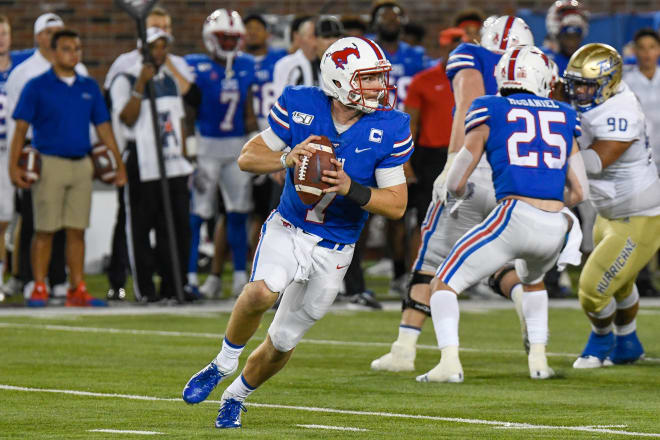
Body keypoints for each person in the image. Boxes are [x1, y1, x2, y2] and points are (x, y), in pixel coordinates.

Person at [181, 36, 412, 429]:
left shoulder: (389, 126)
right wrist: (287, 158)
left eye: (379, 78)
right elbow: (247, 157)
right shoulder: (302, 104)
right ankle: (222, 362)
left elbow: (396, 204)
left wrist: (349, 189)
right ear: (339, 81)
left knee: (283, 341)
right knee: (260, 292)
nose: (379, 87)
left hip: (337, 246)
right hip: (290, 226)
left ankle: (236, 396)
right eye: (369, 79)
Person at [371, 16, 538, 374]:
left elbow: (468, 106)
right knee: (491, 257)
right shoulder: (537, 66)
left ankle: (404, 349)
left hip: (475, 166)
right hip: (517, 177)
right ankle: (522, 296)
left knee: (430, 263)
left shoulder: (472, 56)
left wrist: (451, 165)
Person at [419, 45, 587, 383]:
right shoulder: (565, 114)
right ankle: (539, 362)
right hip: (556, 225)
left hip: (513, 215)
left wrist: (460, 192)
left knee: (443, 283)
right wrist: (549, 202)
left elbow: (456, 180)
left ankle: (449, 364)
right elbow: (580, 191)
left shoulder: (489, 107)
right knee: (534, 281)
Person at [9, 29, 126, 307]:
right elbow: (21, 128)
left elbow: (104, 128)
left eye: (77, 48)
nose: (74, 54)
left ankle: (77, 287)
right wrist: (13, 167)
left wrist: (118, 163)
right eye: (67, 48)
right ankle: (39, 285)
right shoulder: (37, 86)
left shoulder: (89, 87)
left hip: (81, 164)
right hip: (49, 163)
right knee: (45, 229)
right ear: (52, 52)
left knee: (77, 230)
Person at [564, 44, 660, 368]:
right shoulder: (603, 97)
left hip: (636, 214)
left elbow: (594, 162)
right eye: (574, 84)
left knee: (592, 289)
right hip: (609, 211)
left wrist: (554, 141)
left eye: (586, 85)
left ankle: (601, 340)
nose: (578, 92)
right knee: (622, 284)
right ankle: (628, 342)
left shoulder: (619, 110)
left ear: (608, 81)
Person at [103, 5, 193, 301]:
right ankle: (145, 289)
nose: (159, 52)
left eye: (163, 46)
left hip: (172, 163)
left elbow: (179, 119)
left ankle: (174, 285)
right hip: (142, 160)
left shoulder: (169, 78)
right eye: (154, 46)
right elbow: (126, 118)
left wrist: (184, 155)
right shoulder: (125, 78)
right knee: (140, 229)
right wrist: (140, 84)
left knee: (176, 228)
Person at [6, 13, 88, 303]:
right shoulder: (25, 73)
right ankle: (28, 279)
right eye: (49, 30)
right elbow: (17, 121)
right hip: (37, 152)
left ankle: (59, 280)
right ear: (40, 37)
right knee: (34, 221)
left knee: (70, 225)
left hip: (74, 150)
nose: (55, 34)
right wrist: (16, 160)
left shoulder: (82, 74)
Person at [187, 9, 258, 299]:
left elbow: (249, 109)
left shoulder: (246, 66)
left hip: (236, 147)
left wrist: (255, 141)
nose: (229, 44)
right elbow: (188, 109)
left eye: (233, 39)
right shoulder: (195, 67)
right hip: (205, 148)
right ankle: (189, 276)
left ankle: (240, 277)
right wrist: (188, 143)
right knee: (198, 214)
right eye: (223, 38)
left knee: (239, 212)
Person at [371, 1, 426, 298]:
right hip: (375, 134)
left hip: (409, 136)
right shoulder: (368, 51)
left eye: (394, 17)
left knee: (406, 211)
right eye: (384, 17)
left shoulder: (416, 56)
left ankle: (402, 271)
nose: (390, 21)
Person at [403, 27, 462, 273]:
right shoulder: (423, 80)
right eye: (450, 47)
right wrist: (405, 162)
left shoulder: (473, 79)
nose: (454, 52)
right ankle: (416, 273)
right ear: (441, 48)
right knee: (425, 217)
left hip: (464, 154)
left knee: (464, 218)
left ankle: (460, 274)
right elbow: (411, 124)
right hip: (430, 156)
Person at [623, 29, 660, 298]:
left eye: (652, 47)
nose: (647, 53)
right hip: (640, 163)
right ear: (635, 51)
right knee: (643, 223)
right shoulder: (625, 81)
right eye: (642, 48)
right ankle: (643, 278)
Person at [0, 15, 32, 295]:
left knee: (20, 217)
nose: (1, 39)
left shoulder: (23, 66)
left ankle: (19, 275)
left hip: (17, 150)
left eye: (4, 33)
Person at [543, 0, 589, 76]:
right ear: (557, 36)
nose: (572, 43)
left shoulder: (587, 61)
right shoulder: (543, 58)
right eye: (567, 37)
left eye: (576, 37)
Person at [272, 16, 316, 95]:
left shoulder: (323, 63)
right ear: (299, 37)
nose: (316, 40)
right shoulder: (285, 64)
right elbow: (281, 99)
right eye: (312, 36)